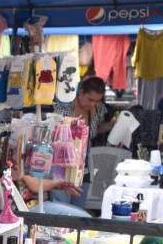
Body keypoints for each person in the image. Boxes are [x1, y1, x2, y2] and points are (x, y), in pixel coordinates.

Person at [35, 75, 115, 213]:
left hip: (84, 165)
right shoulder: (64, 107)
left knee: (79, 207)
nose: (93, 104)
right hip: (61, 164)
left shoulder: (99, 109)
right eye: (90, 99)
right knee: (62, 207)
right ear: (81, 92)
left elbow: (93, 131)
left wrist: (111, 126)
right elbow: (53, 133)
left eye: (97, 101)